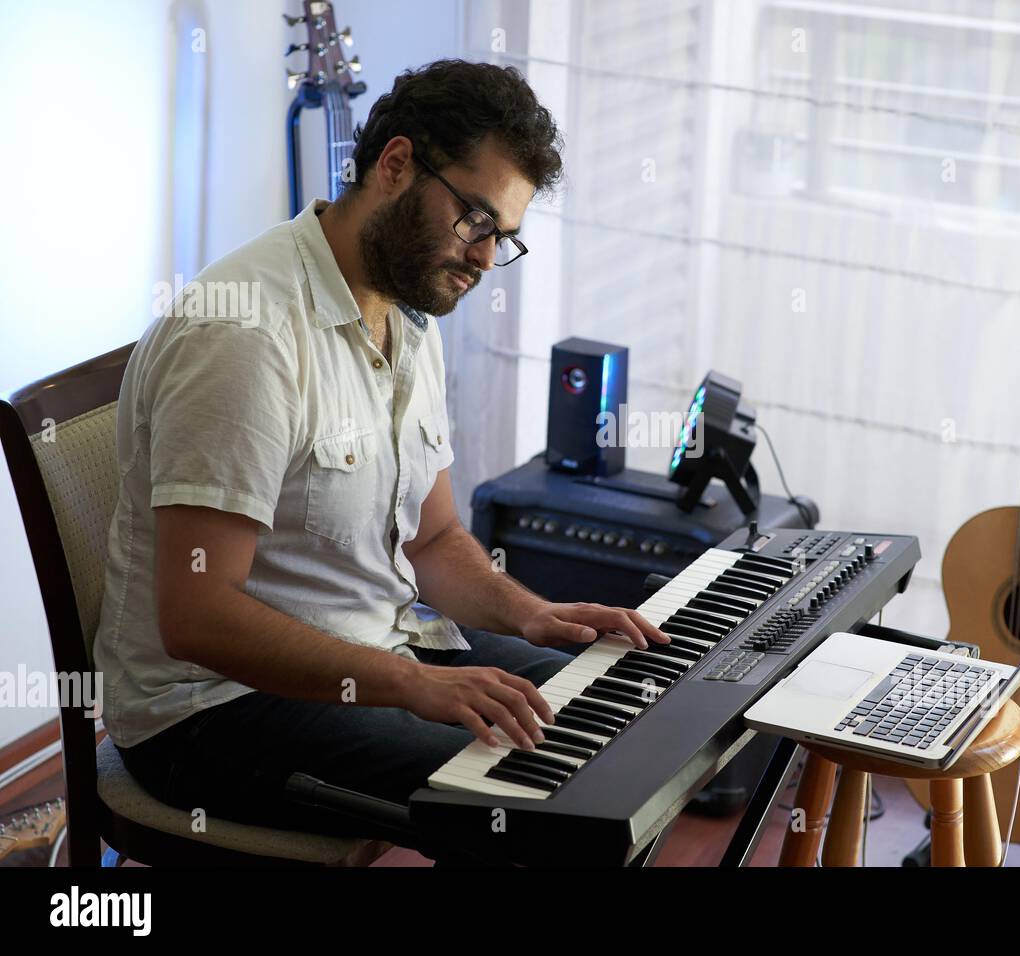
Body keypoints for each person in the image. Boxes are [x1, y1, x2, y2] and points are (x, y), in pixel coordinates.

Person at [95, 59, 667, 838]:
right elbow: (197, 618)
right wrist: (406, 684)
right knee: (545, 796)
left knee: (620, 711)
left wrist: (533, 615)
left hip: (376, 649)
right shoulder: (245, 335)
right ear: (396, 165)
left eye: (505, 239)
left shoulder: (406, 309)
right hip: (211, 713)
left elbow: (432, 540)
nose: (487, 259)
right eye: (476, 221)